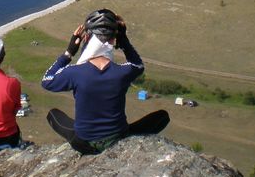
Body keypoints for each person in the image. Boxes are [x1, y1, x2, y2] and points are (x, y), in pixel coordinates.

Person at [41, 9, 169, 154]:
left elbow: (46, 81)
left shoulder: (74, 73)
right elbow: (138, 65)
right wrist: (124, 40)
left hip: (84, 143)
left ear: (86, 39)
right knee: (162, 116)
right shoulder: (122, 72)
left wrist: (69, 52)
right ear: (114, 40)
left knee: (53, 115)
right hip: (119, 138)